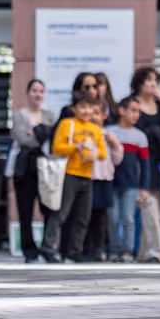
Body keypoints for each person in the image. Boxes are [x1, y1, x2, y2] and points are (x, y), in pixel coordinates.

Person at [41, 95, 107, 263]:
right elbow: (56, 147)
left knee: (83, 217)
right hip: (68, 173)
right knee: (60, 214)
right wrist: (76, 146)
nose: (86, 111)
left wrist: (94, 153)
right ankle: (48, 248)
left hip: (87, 176)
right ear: (74, 108)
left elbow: (103, 153)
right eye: (82, 107)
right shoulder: (67, 124)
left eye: (90, 108)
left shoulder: (95, 129)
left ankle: (75, 251)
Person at [8, 79, 55, 263]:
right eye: (34, 90)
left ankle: (47, 247)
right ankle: (29, 250)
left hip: (45, 165)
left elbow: (52, 137)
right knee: (25, 209)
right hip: (24, 165)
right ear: (28, 93)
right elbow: (23, 139)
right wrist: (41, 133)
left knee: (49, 207)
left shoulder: (49, 115)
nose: (38, 94)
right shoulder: (19, 115)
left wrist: (35, 132)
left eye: (41, 91)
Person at [132, 67, 160, 263]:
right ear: (139, 82)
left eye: (155, 80)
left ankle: (144, 253)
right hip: (141, 159)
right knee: (148, 208)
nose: (153, 84)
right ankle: (157, 251)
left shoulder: (159, 104)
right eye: (149, 80)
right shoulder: (132, 103)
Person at [105, 96, 150, 262]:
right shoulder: (109, 132)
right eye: (133, 110)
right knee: (113, 217)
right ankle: (114, 249)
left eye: (138, 111)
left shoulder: (140, 137)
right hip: (111, 182)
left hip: (131, 183)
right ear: (122, 110)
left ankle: (128, 251)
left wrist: (144, 187)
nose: (136, 115)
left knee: (128, 218)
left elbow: (145, 164)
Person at [84, 103, 123, 261]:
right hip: (88, 179)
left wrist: (115, 144)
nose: (94, 117)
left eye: (97, 113)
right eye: (91, 113)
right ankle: (85, 249)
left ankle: (98, 249)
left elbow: (117, 159)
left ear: (104, 116)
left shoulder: (108, 135)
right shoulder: (86, 134)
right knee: (85, 216)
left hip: (104, 180)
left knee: (101, 218)